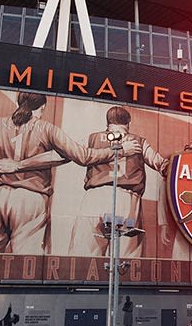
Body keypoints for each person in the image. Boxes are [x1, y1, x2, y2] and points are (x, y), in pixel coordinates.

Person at [0, 92, 141, 255]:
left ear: (19, 103)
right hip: (31, 200)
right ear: (42, 107)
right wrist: (120, 150)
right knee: (26, 266)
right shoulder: (47, 129)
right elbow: (83, 156)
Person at [69, 106, 168, 257]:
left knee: (82, 258)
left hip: (94, 198)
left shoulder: (92, 138)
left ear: (108, 123)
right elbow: (162, 165)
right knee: (126, 261)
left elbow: (72, 153)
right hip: (127, 200)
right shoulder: (138, 141)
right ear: (128, 123)